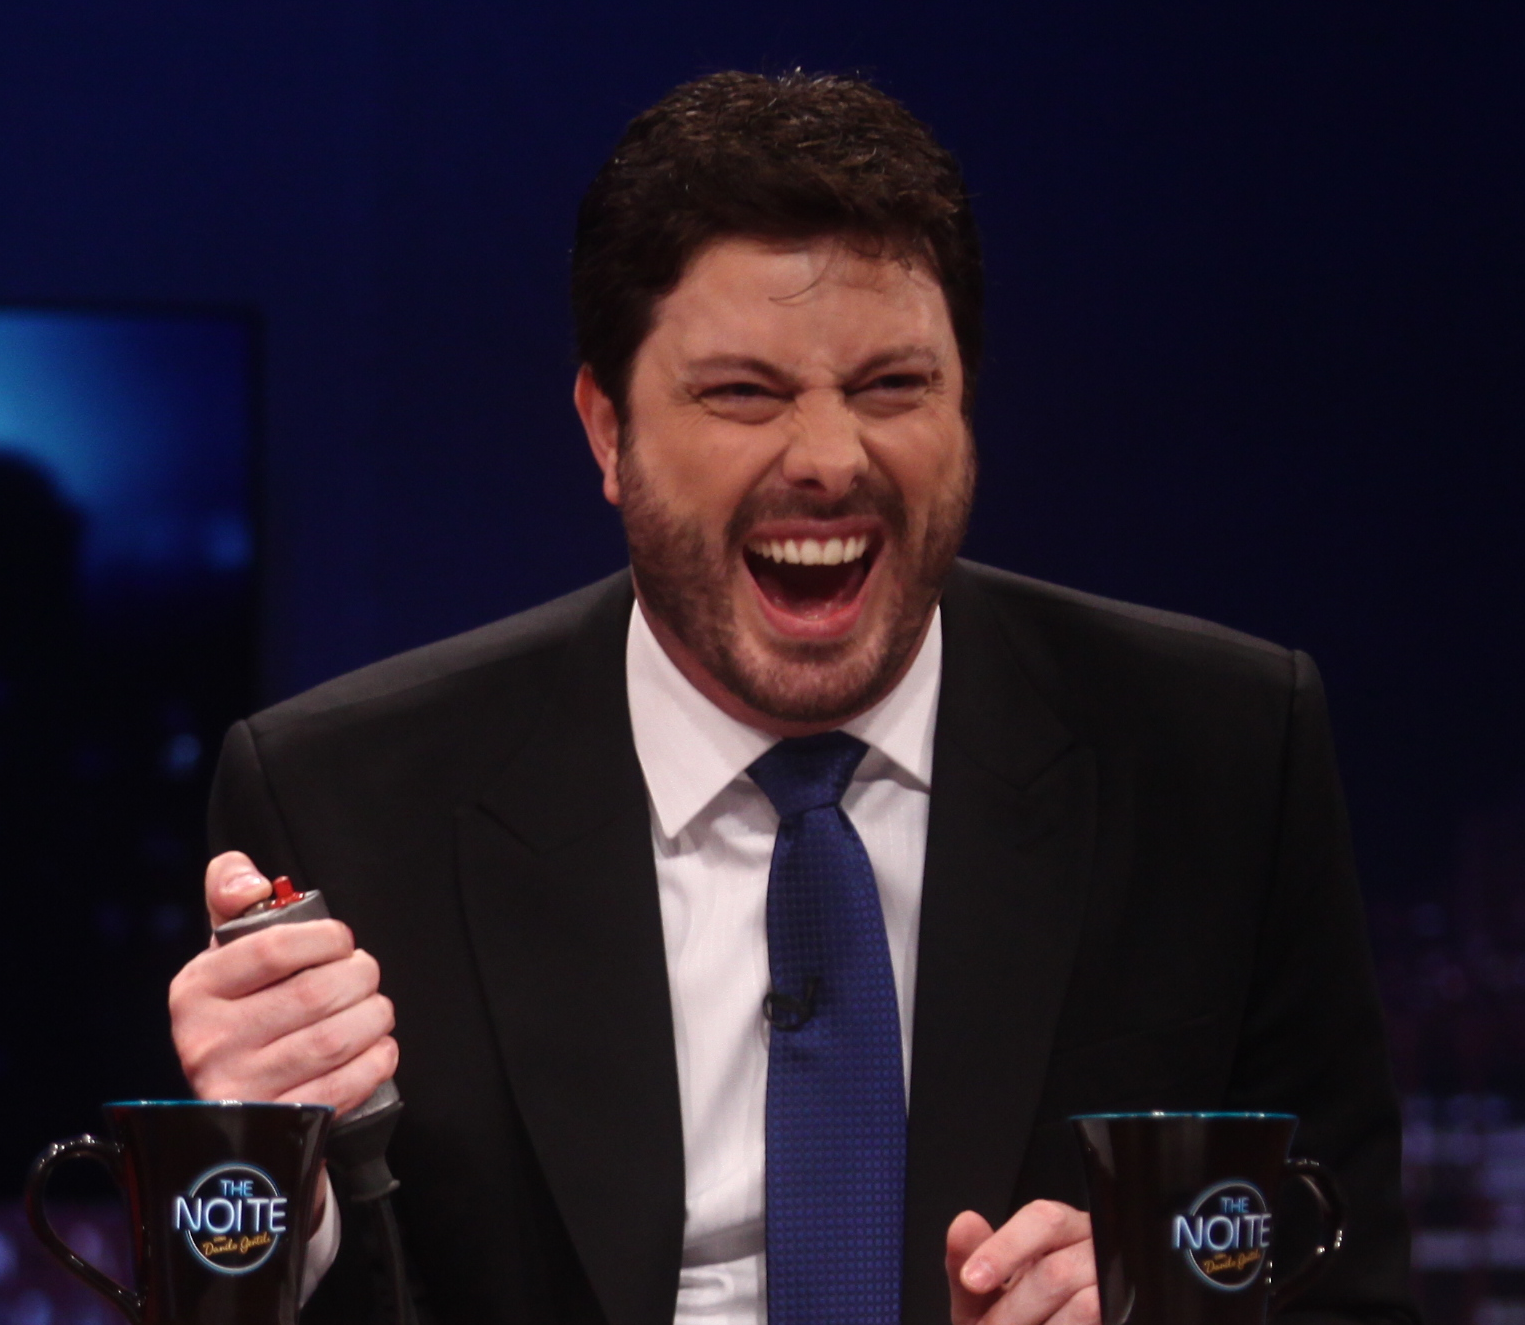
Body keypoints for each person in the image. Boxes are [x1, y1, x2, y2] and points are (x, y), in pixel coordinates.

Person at [166, 71, 1417, 1325]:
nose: (828, 459)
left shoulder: (1221, 756)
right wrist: (266, 1195)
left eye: (892, 386)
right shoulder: (345, 802)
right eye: (742, 393)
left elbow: (1346, 1289)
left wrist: (1179, 1307)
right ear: (607, 431)